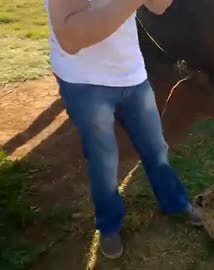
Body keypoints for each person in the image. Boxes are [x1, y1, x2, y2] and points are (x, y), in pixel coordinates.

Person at [44, 0, 201, 259]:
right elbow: (70, 38)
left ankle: (176, 203)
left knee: (155, 148)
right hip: (85, 82)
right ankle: (109, 225)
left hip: (131, 74)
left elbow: (159, 6)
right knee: (104, 160)